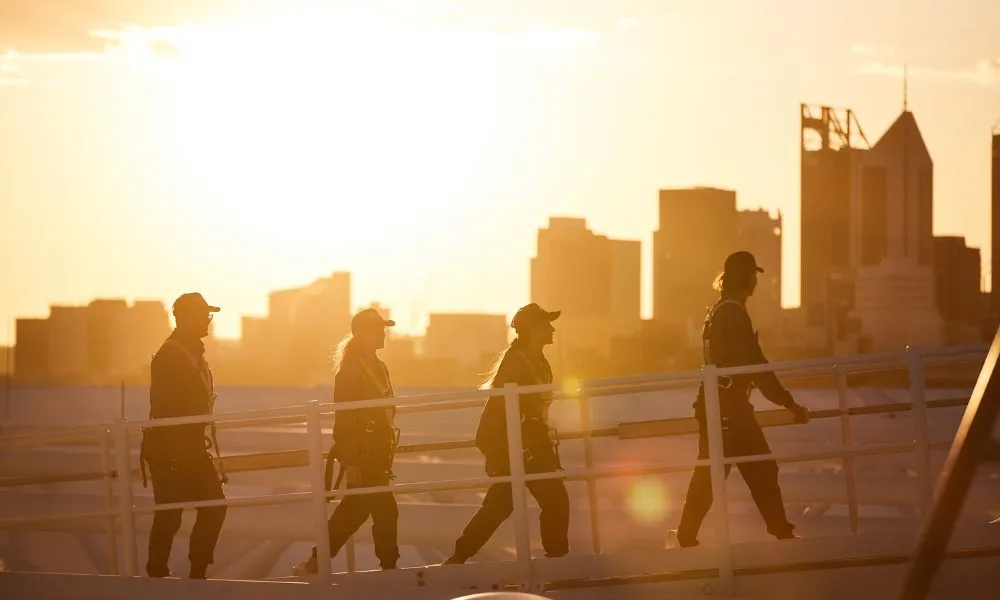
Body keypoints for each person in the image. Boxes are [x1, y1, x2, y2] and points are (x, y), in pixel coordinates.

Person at [672, 251, 810, 547]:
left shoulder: (720, 310)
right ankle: (781, 535)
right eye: (754, 276)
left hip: (721, 404)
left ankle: (779, 532)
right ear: (748, 278)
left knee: (735, 469)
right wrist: (788, 403)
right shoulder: (733, 314)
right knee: (729, 471)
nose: (756, 282)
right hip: (728, 408)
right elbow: (755, 364)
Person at [442, 303, 569, 565]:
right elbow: (499, 408)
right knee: (556, 501)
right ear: (534, 329)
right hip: (525, 447)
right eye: (547, 324)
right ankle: (557, 563)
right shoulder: (518, 361)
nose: (552, 328)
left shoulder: (537, 360)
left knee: (499, 506)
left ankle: (458, 557)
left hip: (530, 444)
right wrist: (496, 451)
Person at [293, 307, 401, 575]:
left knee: (354, 511)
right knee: (386, 510)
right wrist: (351, 461)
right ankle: (390, 568)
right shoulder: (351, 371)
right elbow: (344, 420)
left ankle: (317, 562)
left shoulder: (378, 367)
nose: (383, 333)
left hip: (377, 452)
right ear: (364, 334)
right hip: (365, 454)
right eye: (378, 329)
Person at [140, 292, 228, 579]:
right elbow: (166, 407)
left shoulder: (189, 352)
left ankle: (196, 573)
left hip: (188, 447)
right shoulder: (170, 356)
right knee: (170, 514)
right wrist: (175, 453)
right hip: (174, 451)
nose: (208, 321)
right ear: (186, 318)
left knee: (211, 506)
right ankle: (158, 575)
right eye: (204, 315)